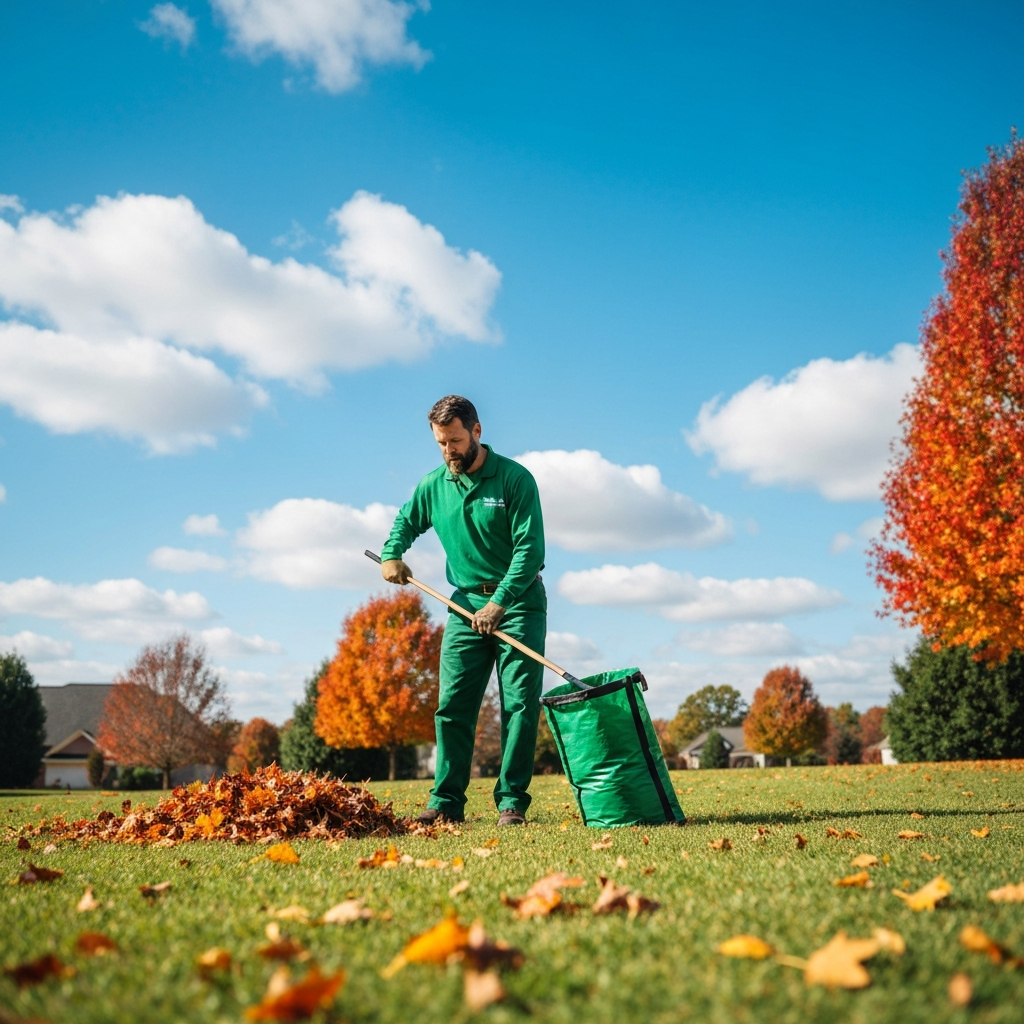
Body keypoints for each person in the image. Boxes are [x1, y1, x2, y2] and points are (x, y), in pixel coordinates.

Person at [380, 395, 546, 826]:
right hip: (463, 605)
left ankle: (511, 802)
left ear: (476, 431)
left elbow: (530, 551)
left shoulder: (514, 479)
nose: (448, 451)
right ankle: (446, 802)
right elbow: (405, 520)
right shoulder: (434, 484)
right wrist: (391, 553)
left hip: (520, 602)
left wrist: (500, 602)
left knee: (519, 707)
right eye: (440, 443)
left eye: (454, 440)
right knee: (451, 706)